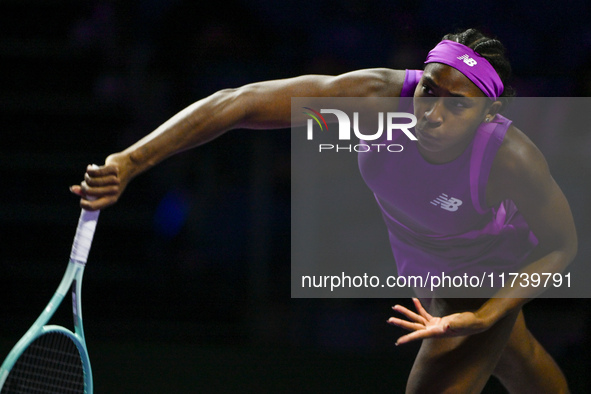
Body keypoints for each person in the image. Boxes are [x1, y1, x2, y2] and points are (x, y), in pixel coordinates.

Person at [70, 28, 577, 393]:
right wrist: (131, 160)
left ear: (489, 113)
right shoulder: (377, 99)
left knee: (477, 352)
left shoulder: (510, 158)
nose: (433, 111)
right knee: (518, 356)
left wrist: (487, 313)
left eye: (457, 104)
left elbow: (562, 244)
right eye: (429, 89)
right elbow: (240, 103)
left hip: (481, 272)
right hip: (423, 258)